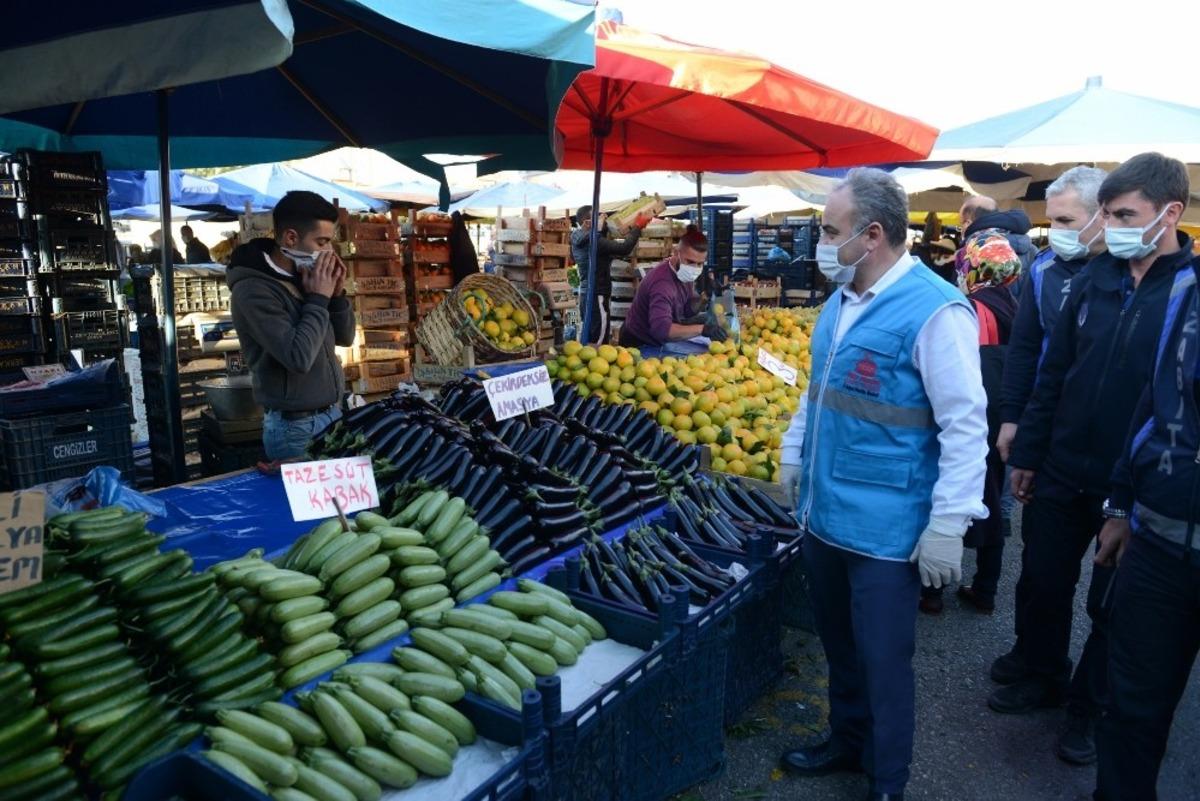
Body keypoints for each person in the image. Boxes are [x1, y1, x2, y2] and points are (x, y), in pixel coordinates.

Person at [776, 168, 988, 801]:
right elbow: (816, 395)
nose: (820, 242)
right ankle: (847, 740)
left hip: (886, 533)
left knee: (884, 664)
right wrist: (793, 452)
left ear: (871, 235)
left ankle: (887, 780)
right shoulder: (840, 303)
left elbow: (965, 424)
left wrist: (950, 522)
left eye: (828, 231)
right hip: (825, 516)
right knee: (840, 648)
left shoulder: (936, 311)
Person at [993, 153, 1195, 768]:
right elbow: (1054, 368)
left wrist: (1140, 491)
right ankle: (1042, 672)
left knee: (1113, 606)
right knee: (1042, 580)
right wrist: (1028, 449)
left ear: (1171, 213)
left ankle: (1087, 708)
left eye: (1124, 214)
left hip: (1133, 482)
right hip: (1062, 463)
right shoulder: (1094, 278)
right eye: (1106, 214)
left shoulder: (1188, 291)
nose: (1111, 227)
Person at [1092, 230, 1200, 801]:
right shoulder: (1188, 289)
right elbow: (1154, 404)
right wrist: (1121, 502)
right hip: (1157, 542)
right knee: (1131, 706)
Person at [918, 232, 1020, 616]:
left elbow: (960, 373)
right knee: (993, 499)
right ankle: (985, 589)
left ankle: (932, 593)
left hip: (974, 415)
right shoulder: (1018, 304)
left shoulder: (971, 309)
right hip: (1005, 419)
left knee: (952, 494)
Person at [227, 190, 356, 461]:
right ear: (291, 238)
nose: (328, 252)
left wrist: (336, 296)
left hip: (330, 415)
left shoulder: (302, 276)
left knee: (338, 505)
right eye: (321, 242)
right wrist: (318, 299)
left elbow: (345, 337)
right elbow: (298, 357)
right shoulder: (253, 290)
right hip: (295, 429)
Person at [997, 166, 1108, 464]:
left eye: (1066, 220)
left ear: (1103, 216)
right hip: (1049, 423)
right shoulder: (1043, 269)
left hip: (1109, 433)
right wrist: (1011, 416)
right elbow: (1025, 347)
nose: (1056, 230)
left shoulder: (1132, 271)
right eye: (1052, 220)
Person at [618, 225, 726, 348]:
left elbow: (686, 310)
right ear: (676, 253)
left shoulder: (684, 275)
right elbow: (662, 330)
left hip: (657, 342)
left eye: (700, 263)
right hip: (637, 343)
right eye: (690, 262)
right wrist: (702, 329)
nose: (694, 268)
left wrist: (704, 298)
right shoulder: (662, 284)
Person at [570, 205, 647, 345]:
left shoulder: (577, 236)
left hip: (586, 292)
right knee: (599, 338)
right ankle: (597, 363)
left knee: (590, 333)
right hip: (597, 292)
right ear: (587, 222)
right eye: (598, 217)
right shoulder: (595, 241)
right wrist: (637, 227)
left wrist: (601, 228)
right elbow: (624, 249)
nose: (603, 219)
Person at [959, 195, 1037, 274]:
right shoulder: (1032, 250)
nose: (961, 228)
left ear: (967, 223)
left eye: (961, 223)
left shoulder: (969, 254)